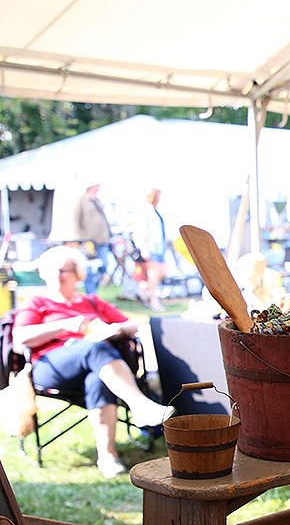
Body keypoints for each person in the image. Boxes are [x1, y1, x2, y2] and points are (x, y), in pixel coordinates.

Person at [12, 246, 174, 477]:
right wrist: (63, 326)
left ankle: (108, 456)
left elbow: (131, 325)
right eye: (51, 270)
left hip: (100, 366)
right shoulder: (38, 302)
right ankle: (140, 405)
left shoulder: (93, 302)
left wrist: (117, 329)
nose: (56, 275)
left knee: (97, 378)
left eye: (63, 270)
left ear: (78, 273)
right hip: (51, 367)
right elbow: (19, 339)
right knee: (93, 348)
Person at [72, 181, 113, 295]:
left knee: (104, 266)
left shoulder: (97, 201)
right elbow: (76, 221)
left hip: (102, 240)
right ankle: (91, 295)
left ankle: (93, 292)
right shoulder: (82, 201)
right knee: (89, 269)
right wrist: (82, 238)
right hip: (89, 242)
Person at [134, 188, 167, 312]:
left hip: (159, 249)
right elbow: (141, 232)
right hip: (151, 248)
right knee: (153, 275)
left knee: (162, 272)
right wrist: (143, 248)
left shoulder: (155, 211)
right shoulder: (146, 211)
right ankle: (154, 301)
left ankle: (143, 293)